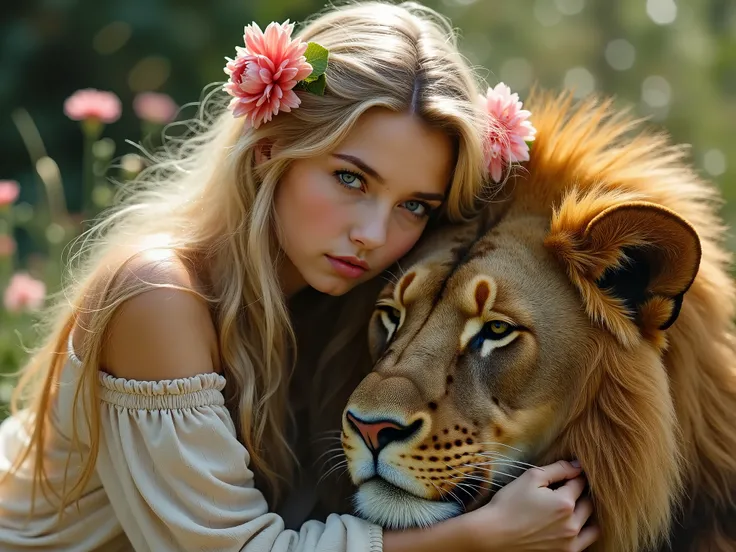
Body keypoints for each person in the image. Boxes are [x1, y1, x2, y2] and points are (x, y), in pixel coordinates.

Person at [0, 2, 599, 551]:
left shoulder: (354, 297)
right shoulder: (159, 296)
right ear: (269, 149)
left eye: (414, 205)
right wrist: (483, 536)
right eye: (351, 179)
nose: (373, 232)